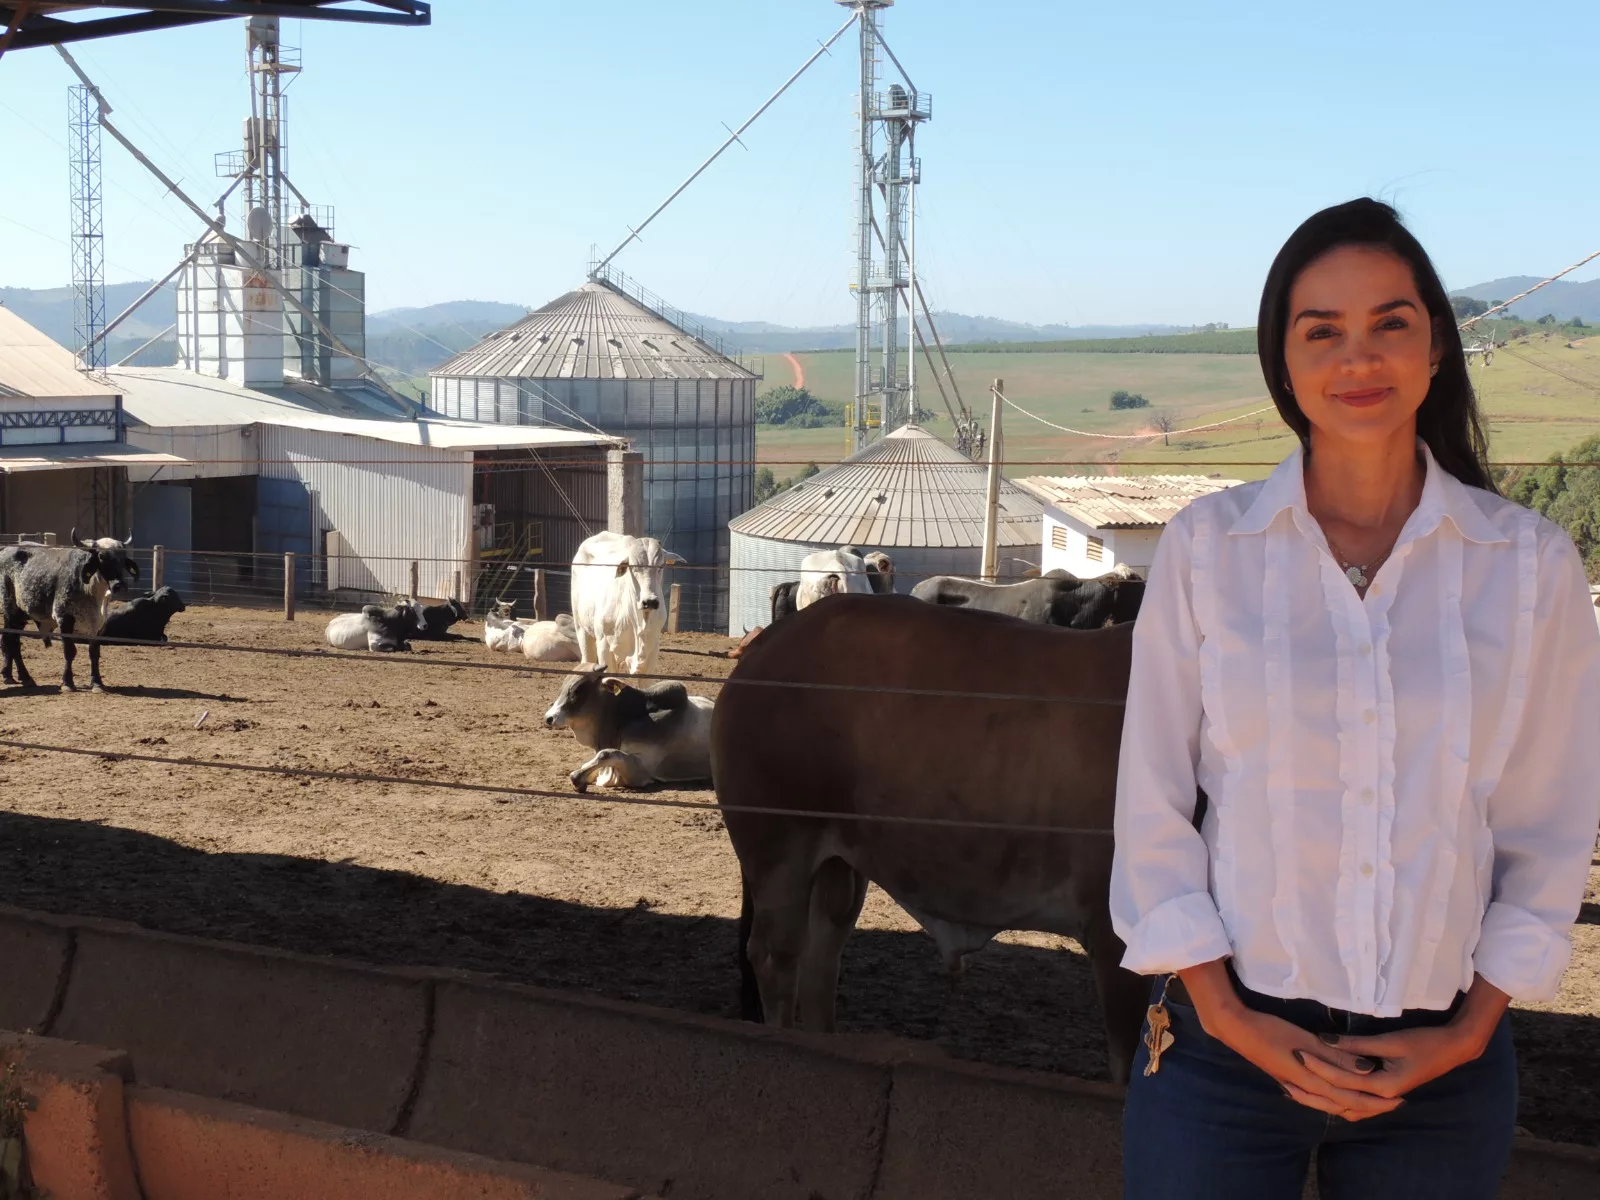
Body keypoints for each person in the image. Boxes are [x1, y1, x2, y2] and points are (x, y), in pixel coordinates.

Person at [1111, 197, 1600, 1199]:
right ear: (1281, 364)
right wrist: (1233, 1020)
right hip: (1221, 1056)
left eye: (1389, 323)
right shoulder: (1208, 551)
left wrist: (1468, 1033)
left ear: (1433, 351)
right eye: (1320, 330)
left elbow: (1547, 826)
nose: (1358, 356)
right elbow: (1150, 807)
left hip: (1442, 1074)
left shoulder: (1528, 567)